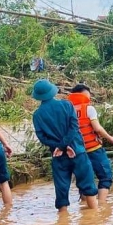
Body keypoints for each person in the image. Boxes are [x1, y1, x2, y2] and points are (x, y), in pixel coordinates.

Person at [31, 79, 98, 213]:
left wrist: (60, 147)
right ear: (52, 91)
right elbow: (74, 127)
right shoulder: (67, 105)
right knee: (88, 186)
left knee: (61, 190)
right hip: (77, 151)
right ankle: (95, 222)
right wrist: (65, 145)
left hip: (58, 155)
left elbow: (42, 137)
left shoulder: (37, 115)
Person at [66, 84, 113, 204]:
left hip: (77, 151)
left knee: (84, 180)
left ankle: (86, 210)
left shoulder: (67, 110)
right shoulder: (89, 108)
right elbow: (97, 128)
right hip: (93, 149)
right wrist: (111, 138)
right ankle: (101, 206)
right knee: (105, 176)